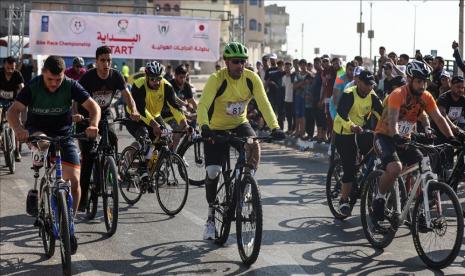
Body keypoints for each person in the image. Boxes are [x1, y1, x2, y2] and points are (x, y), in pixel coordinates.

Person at [7, 55, 101, 254]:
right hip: (39, 130)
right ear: (43, 74)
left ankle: (69, 223)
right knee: (41, 143)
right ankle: (39, 189)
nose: (54, 84)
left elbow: (94, 107)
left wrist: (93, 124)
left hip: (64, 135)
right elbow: (13, 111)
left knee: (74, 182)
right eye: (50, 79)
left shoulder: (70, 84)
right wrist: (18, 129)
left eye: (58, 80)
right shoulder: (33, 85)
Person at [197, 42, 285, 240]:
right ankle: (211, 217)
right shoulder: (216, 79)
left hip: (239, 123)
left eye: (243, 62)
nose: (240, 66)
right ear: (226, 62)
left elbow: (264, 103)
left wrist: (275, 126)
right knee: (213, 172)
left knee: (254, 146)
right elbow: (203, 105)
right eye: (236, 62)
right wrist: (204, 126)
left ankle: (246, 184)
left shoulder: (251, 78)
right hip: (215, 127)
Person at [372, 60, 458, 221]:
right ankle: (379, 197)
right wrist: (396, 135)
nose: (423, 86)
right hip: (385, 136)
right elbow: (392, 120)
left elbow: (439, 119)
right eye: (419, 81)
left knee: (425, 164)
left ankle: (421, 209)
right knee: (395, 167)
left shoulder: (426, 96)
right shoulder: (398, 94)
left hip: (405, 139)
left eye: (425, 81)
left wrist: (451, 138)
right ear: (410, 79)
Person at [74, 46, 140, 210]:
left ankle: (112, 167)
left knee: (112, 136)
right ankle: (82, 199)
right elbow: (75, 99)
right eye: (102, 60)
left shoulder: (116, 76)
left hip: (104, 114)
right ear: (96, 62)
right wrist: (75, 115)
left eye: (109, 60)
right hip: (85, 117)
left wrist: (134, 110)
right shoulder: (88, 77)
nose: (106, 64)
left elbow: (127, 96)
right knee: (88, 157)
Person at [127, 60, 188, 183]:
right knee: (144, 137)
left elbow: (175, 107)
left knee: (164, 138)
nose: (156, 82)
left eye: (159, 78)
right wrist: (155, 125)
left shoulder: (166, 86)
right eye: (153, 79)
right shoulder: (138, 85)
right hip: (136, 116)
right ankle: (135, 163)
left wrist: (184, 123)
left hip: (154, 115)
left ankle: (150, 166)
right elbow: (141, 109)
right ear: (147, 77)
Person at [333, 70, 383, 216]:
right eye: (367, 84)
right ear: (358, 82)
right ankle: (343, 199)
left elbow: (383, 113)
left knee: (375, 153)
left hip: (361, 131)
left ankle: (367, 179)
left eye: (372, 85)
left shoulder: (372, 96)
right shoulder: (349, 93)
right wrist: (351, 126)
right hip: (344, 132)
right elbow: (341, 113)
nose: (370, 87)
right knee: (349, 167)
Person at [162, 64, 198, 149]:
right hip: (166, 113)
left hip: (178, 112)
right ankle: (173, 154)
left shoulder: (186, 85)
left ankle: (176, 149)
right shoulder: (170, 85)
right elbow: (174, 99)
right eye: (181, 77)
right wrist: (186, 106)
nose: (183, 80)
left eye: (185, 77)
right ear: (175, 76)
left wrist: (199, 112)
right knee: (179, 128)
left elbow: (191, 101)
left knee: (191, 124)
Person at [0, 56, 25, 161]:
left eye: (12, 68)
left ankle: (17, 151)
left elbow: (22, 88)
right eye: (8, 68)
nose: (10, 70)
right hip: (0, 101)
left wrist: (22, 99)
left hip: (13, 101)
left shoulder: (17, 74)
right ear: (4, 65)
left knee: (16, 123)